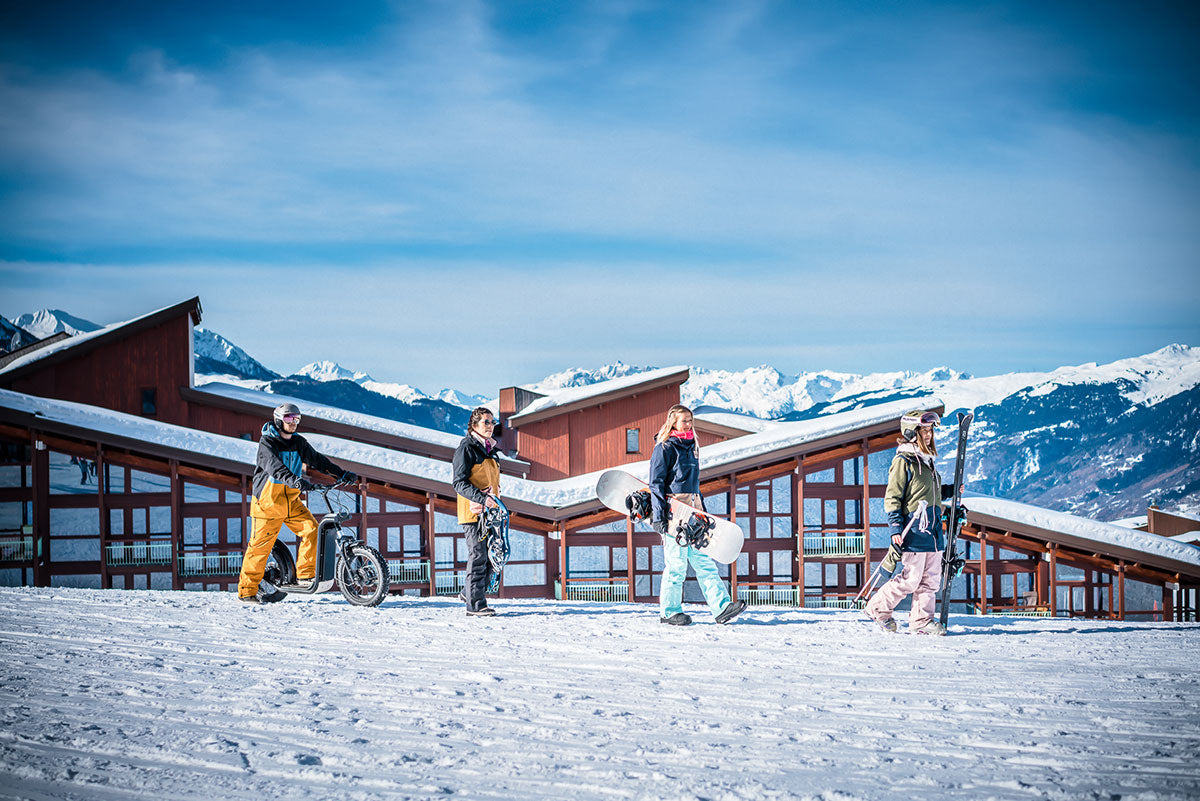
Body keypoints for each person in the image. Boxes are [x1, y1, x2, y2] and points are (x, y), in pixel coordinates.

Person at [237, 403, 358, 604]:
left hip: (291, 500)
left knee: (311, 529)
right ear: (278, 420)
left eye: (296, 419)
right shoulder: (267, 444)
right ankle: (247, 591)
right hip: (268, 503)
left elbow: (318, 460)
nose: (293, 423)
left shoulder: (298, 442)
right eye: (288, 419)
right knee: (260, 547)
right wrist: (295, 480)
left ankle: (304, 575)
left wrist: (341, 473)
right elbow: (275, 467)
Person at [648, 404, 746, 626]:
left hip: (693, 510)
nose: (689, 424)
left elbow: (694, 484)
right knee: (676, 565)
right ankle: (669, 612)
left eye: (691, 420)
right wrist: (659, 515)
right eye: (685, 421)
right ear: (673, 422)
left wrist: (702, 509)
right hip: (674, 512)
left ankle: (721, 607)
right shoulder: (665, 447)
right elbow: (655, 483)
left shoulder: (692, 445)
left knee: (704, 561)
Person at [864, 410, 959, 635]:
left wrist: (949, 491)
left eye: (930, 430)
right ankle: (877, 608)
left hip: (934, 533)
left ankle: (921, 621)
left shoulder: (928, 462)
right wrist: (895, 528)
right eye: (924, 430)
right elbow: (893, 497)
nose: (928, 435)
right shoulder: (903, 461)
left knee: (930, 581)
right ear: (911, 432)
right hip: (914, 530)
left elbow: (927, 493)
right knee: (911, 580)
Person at [452, 407, 503, 617]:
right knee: (479, 555)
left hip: (491, 512)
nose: (491, 426)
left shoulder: (491, 450)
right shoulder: (467, 448)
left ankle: (468, 592)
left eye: (492, 422)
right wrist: (482, 498)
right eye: (486, 422)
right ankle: (475, 605)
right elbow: (458, 482)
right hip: (473, 513)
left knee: (493, 556)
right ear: (474, 426)